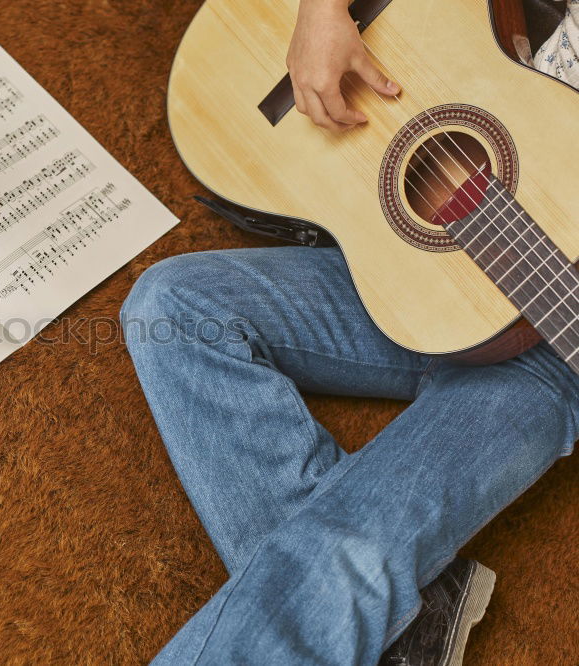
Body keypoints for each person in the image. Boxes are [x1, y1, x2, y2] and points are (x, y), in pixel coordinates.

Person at [121, 0, 579, 663]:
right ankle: (396, 622)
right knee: (169, 306)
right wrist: (322, 11)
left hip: (547, 337)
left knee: (348, 548)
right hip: (407, 276)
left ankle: (381, 612)